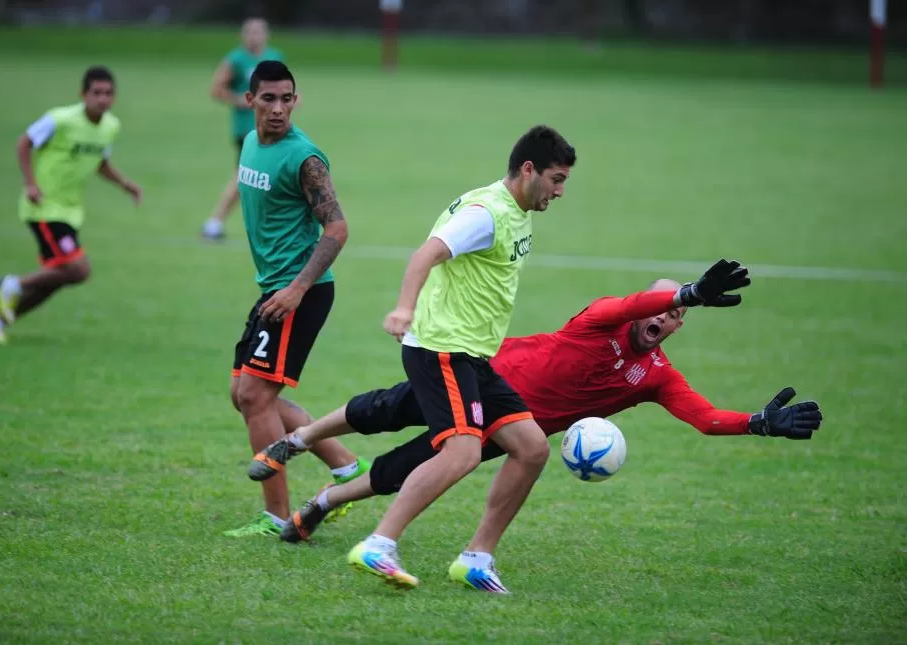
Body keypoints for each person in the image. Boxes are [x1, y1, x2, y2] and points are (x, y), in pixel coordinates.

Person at [273, 265, 823, 593]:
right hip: (475, 377)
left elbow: (703, 418)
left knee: (405, 470)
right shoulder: (605, 316)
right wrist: (684, 293)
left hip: (506, 427)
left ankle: (327, 507)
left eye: (679, 317)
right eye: (668, 307)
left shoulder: (655, 376)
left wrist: (758, 424)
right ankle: (299, 439)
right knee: (381, 410)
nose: (668, 320)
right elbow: (636, 301)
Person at [249, 125, 578, 589]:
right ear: (529, 170)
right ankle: (380, 543)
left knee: (531, 448)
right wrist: (404, 308)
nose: (561, 191)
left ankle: (477, 557)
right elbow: (425, 255)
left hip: (474, 356)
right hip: (443, 350)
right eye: (557, 179)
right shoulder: (485, 213)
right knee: (461, 452)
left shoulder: (515, 207)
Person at [223, 60, 370, 539]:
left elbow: (338, 229)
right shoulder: (248, 143)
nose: (279, 108)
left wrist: (296, 288)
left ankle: (276, 517)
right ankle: (344, 463)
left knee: (254, 395)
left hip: (301, 291)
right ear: (250, 101)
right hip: (274, 288)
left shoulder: (305, 158)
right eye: (269, 98)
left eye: (288, 98)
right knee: (243, 395)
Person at [0, 66, 142, 344]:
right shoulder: (60, 119)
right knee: (79, 270)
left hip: (70, 210)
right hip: (44, 207)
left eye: (108, 93)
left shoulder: (110, 126)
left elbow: (100, 163)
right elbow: (24, 142)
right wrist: (30, 184)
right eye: (97, 93)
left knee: (56, 279)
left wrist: (125, 184)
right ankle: (14, 284)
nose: (103, 99)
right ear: (83, 94)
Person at [201, 17, 284, 241]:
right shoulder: (236, 59)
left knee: (269, 176)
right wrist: (240, 100)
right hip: (246, 129)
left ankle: (267, 227)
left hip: (273, 128)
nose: (254, 37)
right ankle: (214, 222)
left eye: (259, 32)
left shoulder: (275, 57)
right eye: (250, 32)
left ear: (267, 34)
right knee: (246, 176)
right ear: (242, 35)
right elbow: (216, 89)